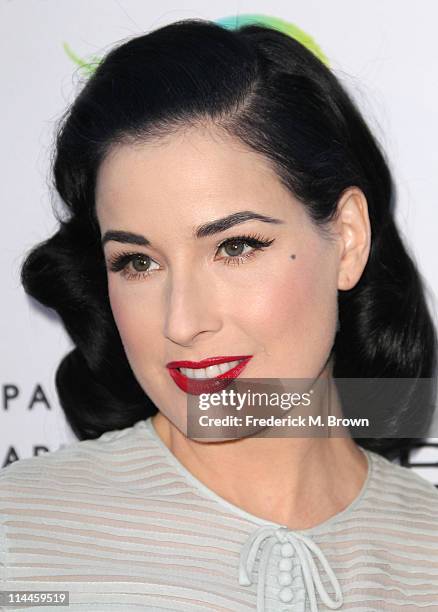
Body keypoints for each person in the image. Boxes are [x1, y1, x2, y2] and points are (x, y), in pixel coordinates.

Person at [1, 16, 437, 612]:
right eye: (137, 262)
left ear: (349, 240)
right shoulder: (18, 538)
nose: (182, 322)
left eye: (235, 247)